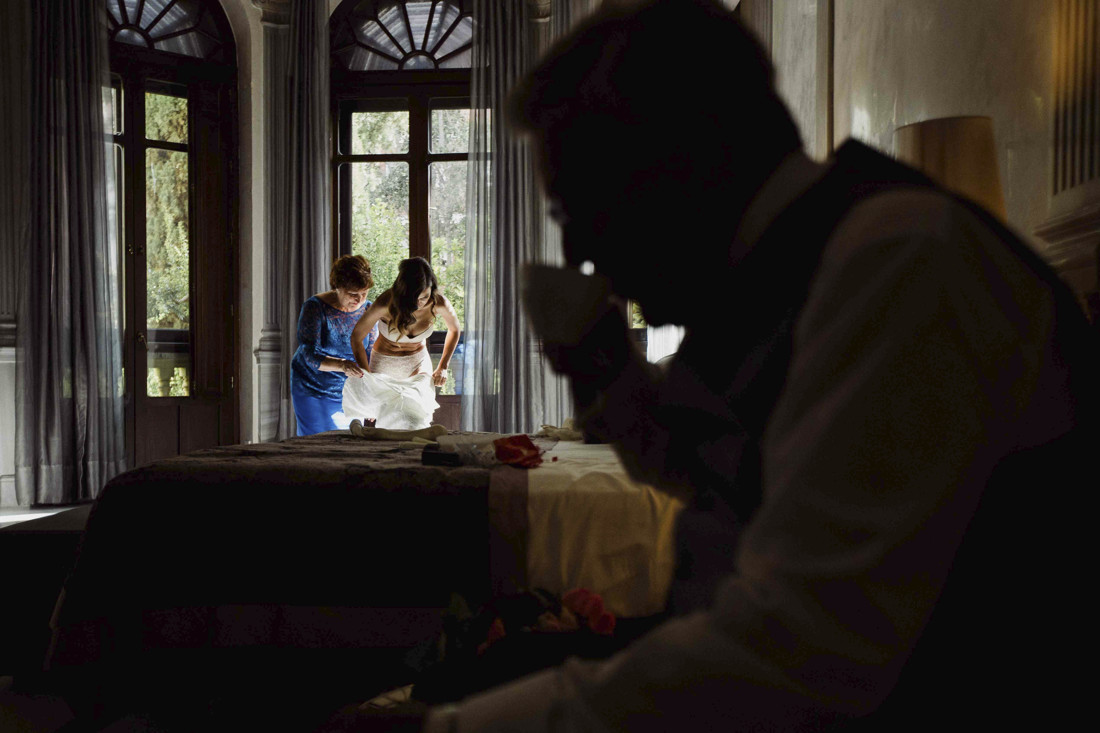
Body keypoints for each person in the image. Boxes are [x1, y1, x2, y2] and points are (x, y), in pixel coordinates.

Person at [320, 1, 1097, 731]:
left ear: (672, 166)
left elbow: (796, 655)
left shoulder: (898, 266)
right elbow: (706, 468)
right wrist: (604, 371)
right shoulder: (771, 280)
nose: (588, 255)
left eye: (583, 210)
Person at [343, 256, 461, 430]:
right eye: (414, 298)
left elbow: (454, 329)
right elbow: (356, 337)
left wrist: (443, 365)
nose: (419, 303)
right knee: (381, 419)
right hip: (385, 362)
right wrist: (367, 377)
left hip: (417, 361)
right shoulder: (386, 303)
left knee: (417, 417)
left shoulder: (438, 303)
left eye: (425, 297)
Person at [290, 254, 379, 436]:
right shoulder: (315, 307)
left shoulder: (369, 310)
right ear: (337, 286)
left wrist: (371, 397)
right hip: (311, 385)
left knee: (347, 442)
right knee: (318, 441)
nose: (359, 299)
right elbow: (309, 355)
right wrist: (342, 365)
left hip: (349, 389)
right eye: (353, 294)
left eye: (364, 293)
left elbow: (371, 355)